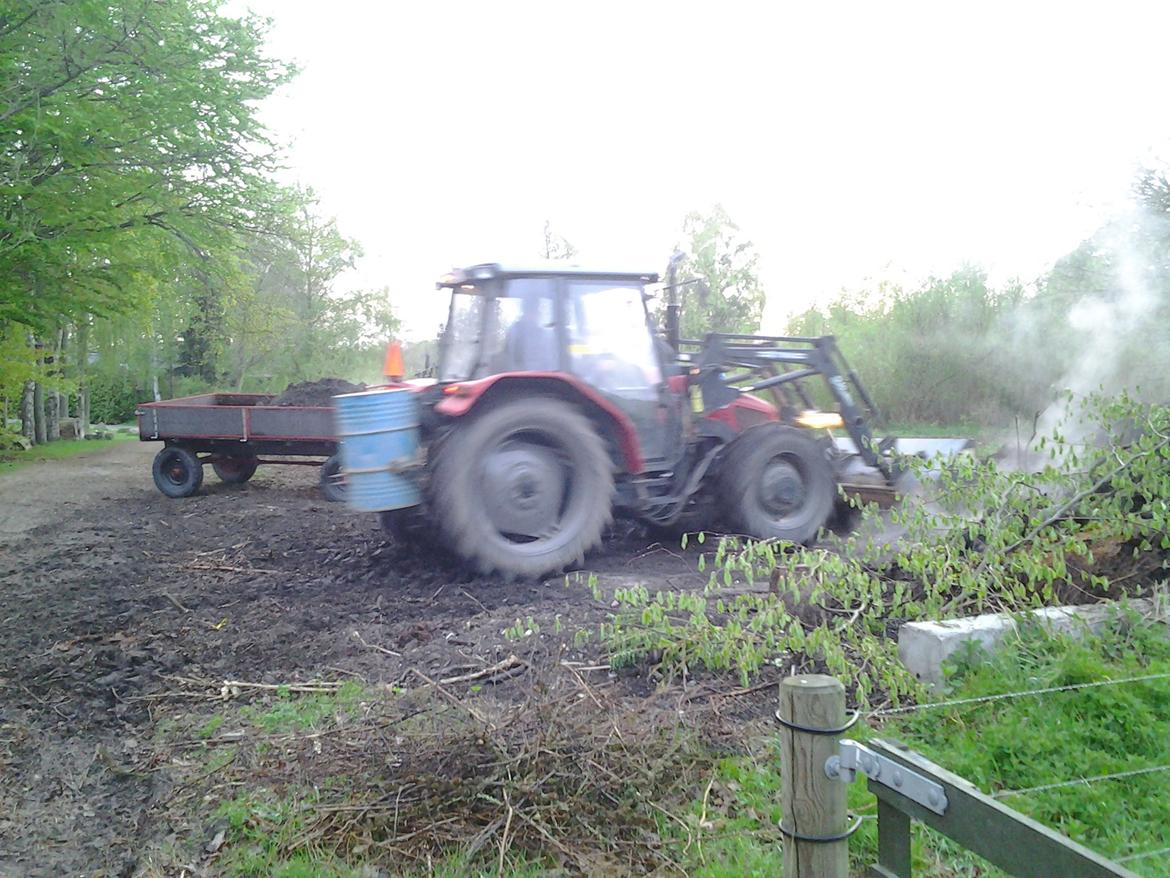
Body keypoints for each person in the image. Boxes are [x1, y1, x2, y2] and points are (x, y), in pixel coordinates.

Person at [503, 294, 559, 371]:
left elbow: (550, 361)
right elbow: (510, 358)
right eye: (531, 311)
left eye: (536, 311)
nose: (535, 315)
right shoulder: (514, 332)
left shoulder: (546, 335)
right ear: (525, 312)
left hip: (544, 375)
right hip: (518, 376)